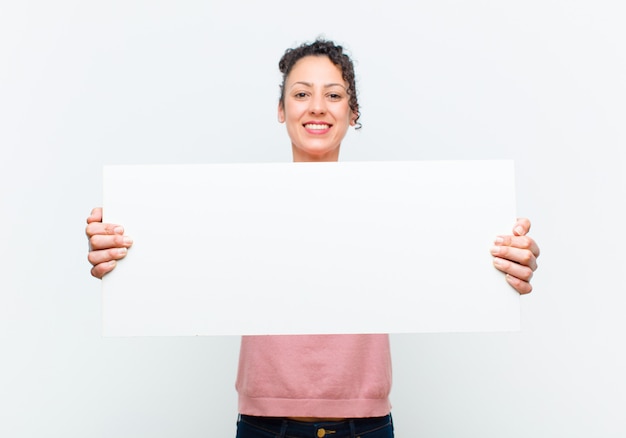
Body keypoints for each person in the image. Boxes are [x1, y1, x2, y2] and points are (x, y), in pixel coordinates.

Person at [86, 39, 540, 438]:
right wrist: (123, 249)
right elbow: (178, 256)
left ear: (353, 111)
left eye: (334, 95)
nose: (317, 107)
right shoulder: (235, 207)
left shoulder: (397, 209)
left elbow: (456, 256)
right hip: (264, 423)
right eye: (301, 94)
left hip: (366, 425)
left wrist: (505, 262)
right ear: (282, 110)